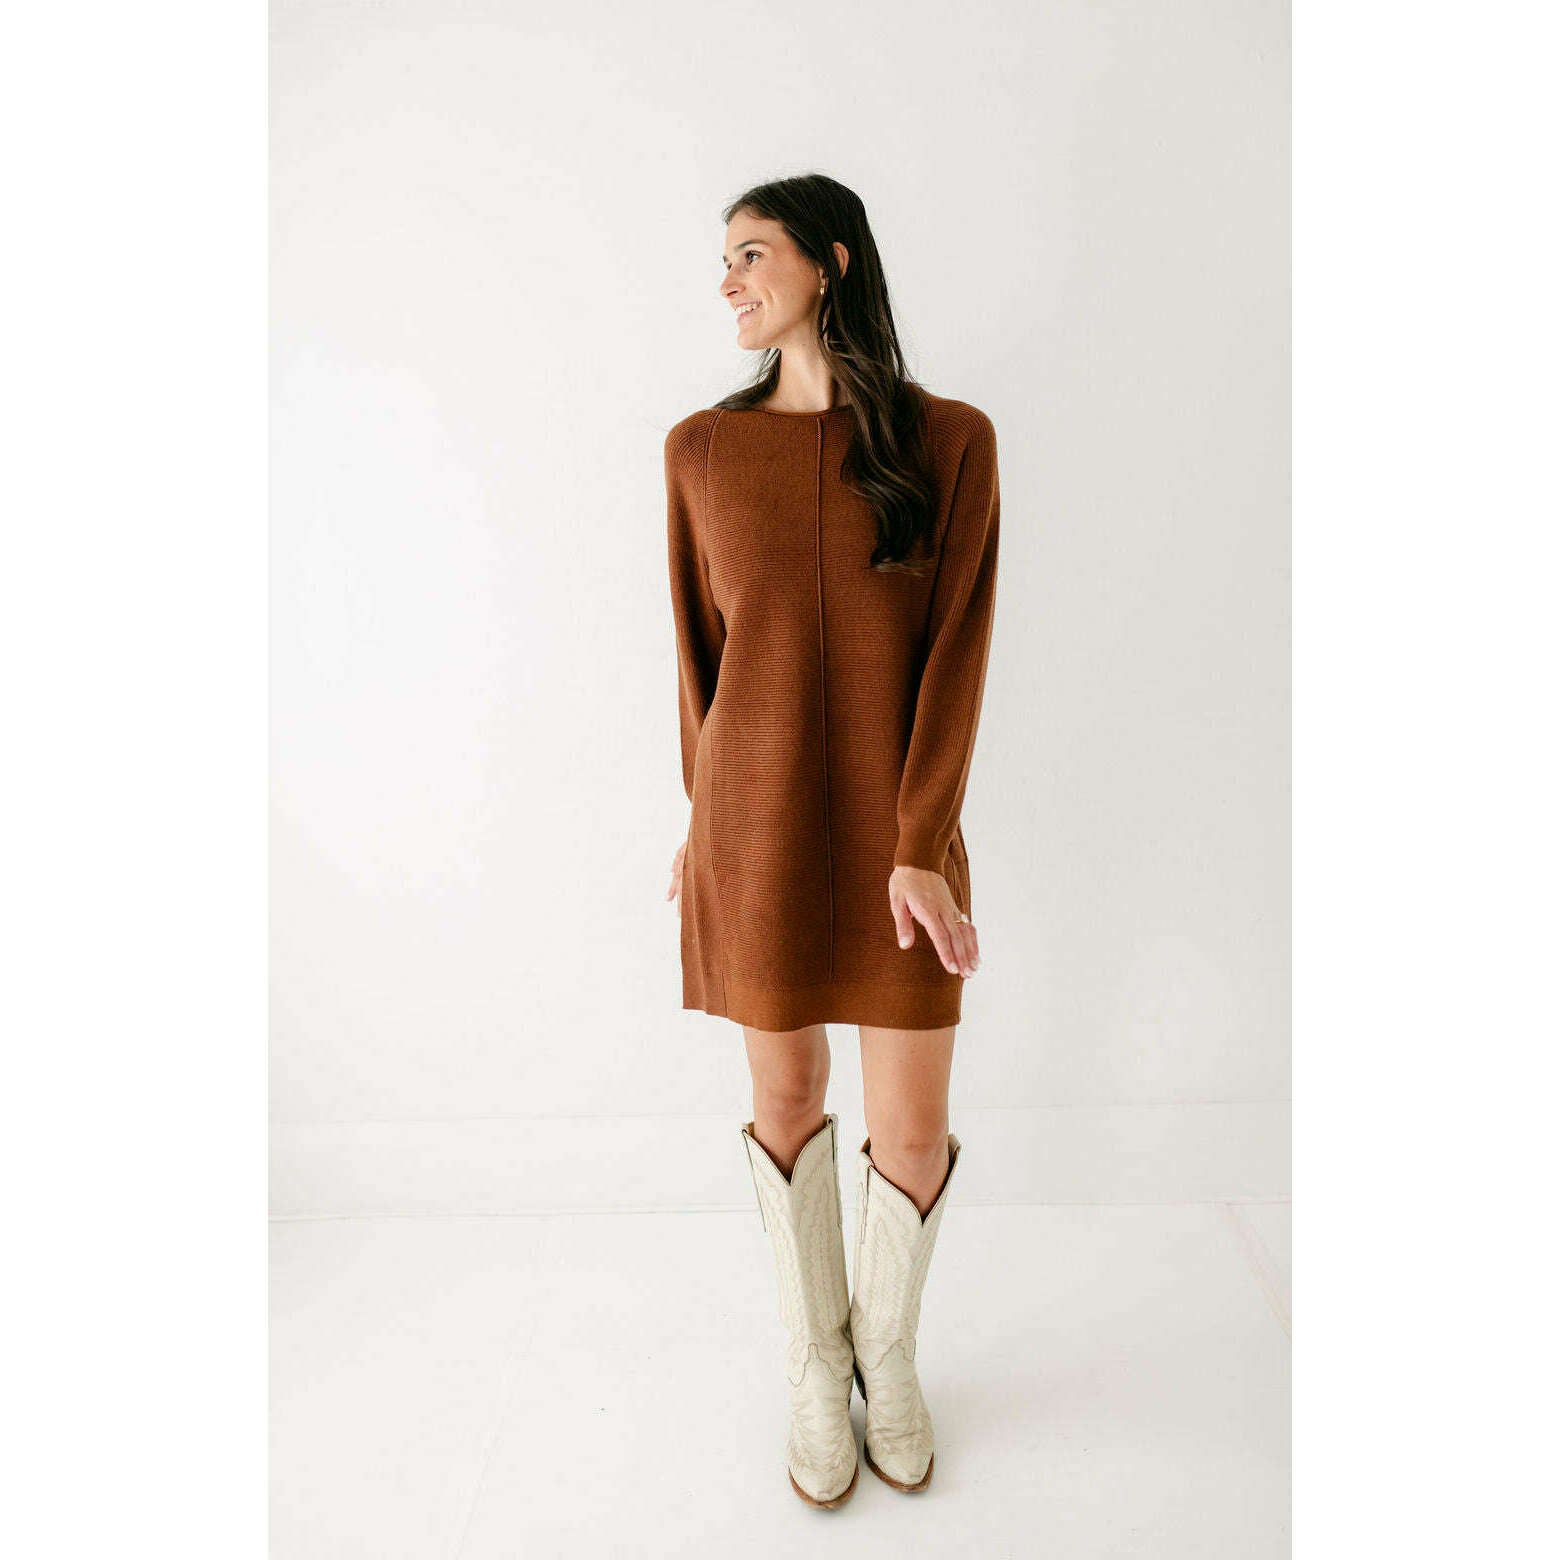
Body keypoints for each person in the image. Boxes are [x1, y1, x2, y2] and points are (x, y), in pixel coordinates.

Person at [663, 173, 1000, 1507]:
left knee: (913, 1129)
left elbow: (958, 658)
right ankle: (819, 1365)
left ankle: (889, 1357)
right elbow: (698, 666)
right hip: (753, 830)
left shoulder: (950, 442)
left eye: (752, 254)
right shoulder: (699, 452)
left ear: (832, 263)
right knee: (788, 1103)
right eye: (724, 261)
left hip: (900, 841)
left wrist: (921, 843)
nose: (729, 282)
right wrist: (701, 827)